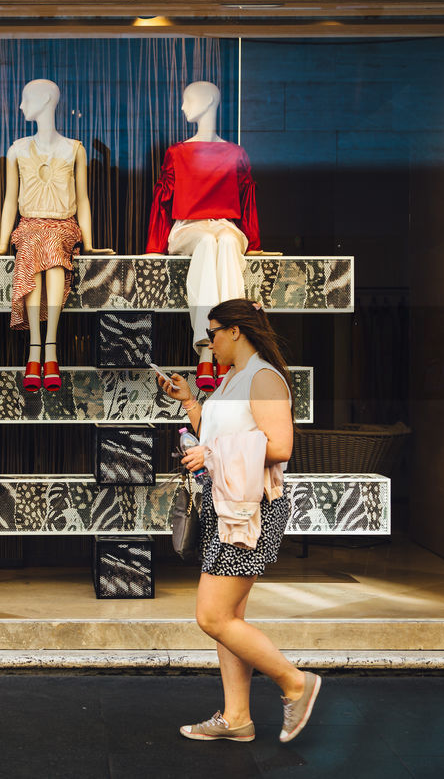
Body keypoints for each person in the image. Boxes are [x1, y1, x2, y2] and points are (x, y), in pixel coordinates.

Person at [156, 298, 321, 743]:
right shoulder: (233, 380)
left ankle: (295, 682)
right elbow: (217, 437)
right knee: (230, 617)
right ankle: (237, 718)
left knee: (212, 617)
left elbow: (281, 446)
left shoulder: (263, 378)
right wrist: (191, 401)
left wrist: (210, 454)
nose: (208, 345)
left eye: (212, 334)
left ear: (235, 332)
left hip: (251, 509)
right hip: (229, 503)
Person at [0, 78, 112, 393]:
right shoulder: (17, 149)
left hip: (62, 227)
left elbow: (83, 199)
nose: (22, 106)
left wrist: (89, 244)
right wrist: (0, 246)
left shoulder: (75, 149)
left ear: (47, 100)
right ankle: (43, 350)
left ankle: (41, 350)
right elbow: (10, 199)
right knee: (36, 242)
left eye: (26, 99)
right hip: (29, 227)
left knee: (48, 242)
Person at [145, 81, 279, 391]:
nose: (181, 108)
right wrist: (155, 246)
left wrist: (253, 242)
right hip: (189, 228)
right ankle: (207, 349)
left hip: (224, 225)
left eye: (186, 100)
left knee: (228, 241)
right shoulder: (177, 153)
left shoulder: (235, 153)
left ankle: (233, 339)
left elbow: (246, 198)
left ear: (206, 102)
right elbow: (164, 201)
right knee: (207, 243)